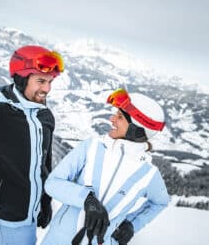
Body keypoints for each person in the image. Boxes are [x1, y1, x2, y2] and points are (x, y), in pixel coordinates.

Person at [0, 45, 64, 245]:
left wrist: (45, 201)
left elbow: (44, 162)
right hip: (10, 216)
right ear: (21, 78)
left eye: (50, 82)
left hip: (31, 212)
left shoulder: (44, 115)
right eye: (40, 81)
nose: (47, 89)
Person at [41, 88, 170, 245]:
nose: (112, 119)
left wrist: (132, 224)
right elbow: (53, 183)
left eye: (120, 117)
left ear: (136, 130)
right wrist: (87, 200)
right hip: (58, 240)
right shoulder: (92, 147)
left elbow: (160, 202)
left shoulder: (148, 174)